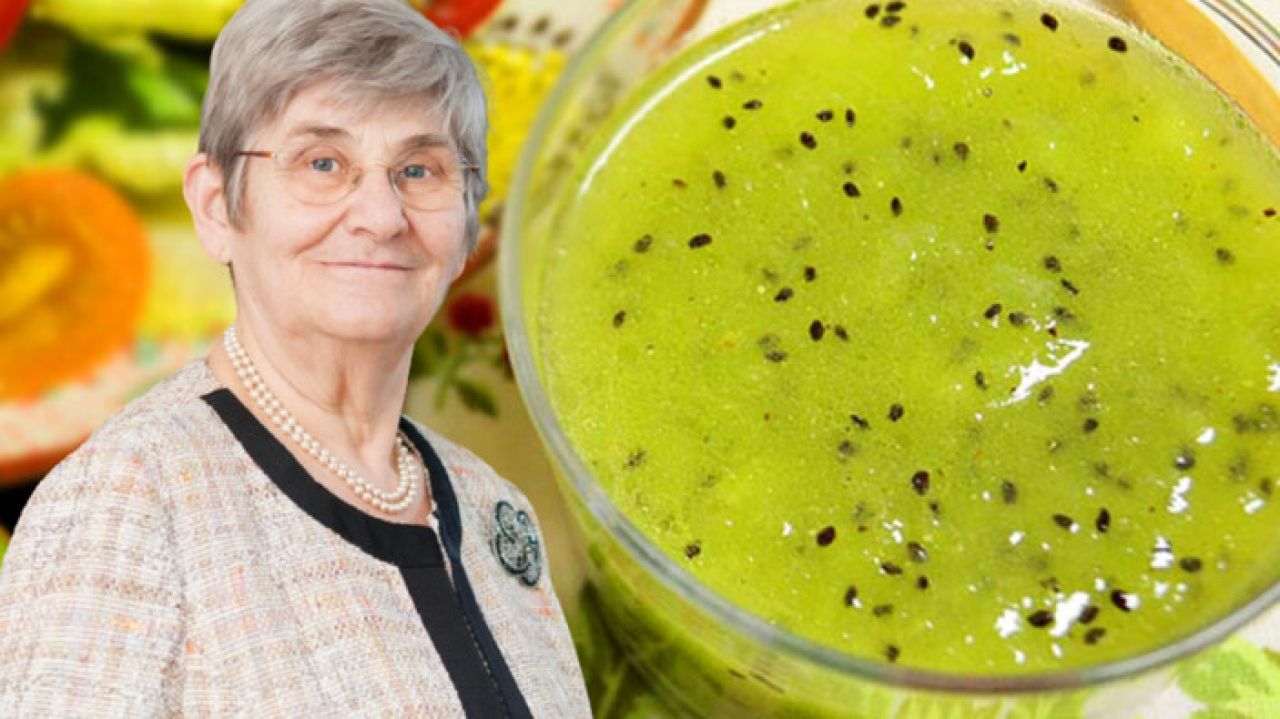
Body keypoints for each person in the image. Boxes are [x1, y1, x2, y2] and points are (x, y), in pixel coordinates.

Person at [0, 0, 590, 715]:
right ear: (217, 205)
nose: (382, 215)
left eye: (420, 169)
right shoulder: (126, 496)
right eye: (322, 163)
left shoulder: (495, 506)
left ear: (466, 224)